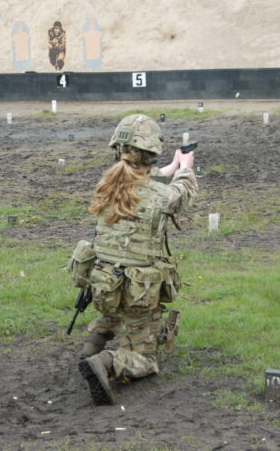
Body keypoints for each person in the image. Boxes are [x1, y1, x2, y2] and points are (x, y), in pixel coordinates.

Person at [74, 114, 197, 405]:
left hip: (104, 284)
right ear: (151, 153)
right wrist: (187, 170)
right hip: (138, 291)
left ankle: (91, 347)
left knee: (115, 306)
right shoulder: (159, 195)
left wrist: (173, 167)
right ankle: (105, 363)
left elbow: (143, 182)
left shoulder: (107, 183)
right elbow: (181, 194)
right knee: (145, 359)